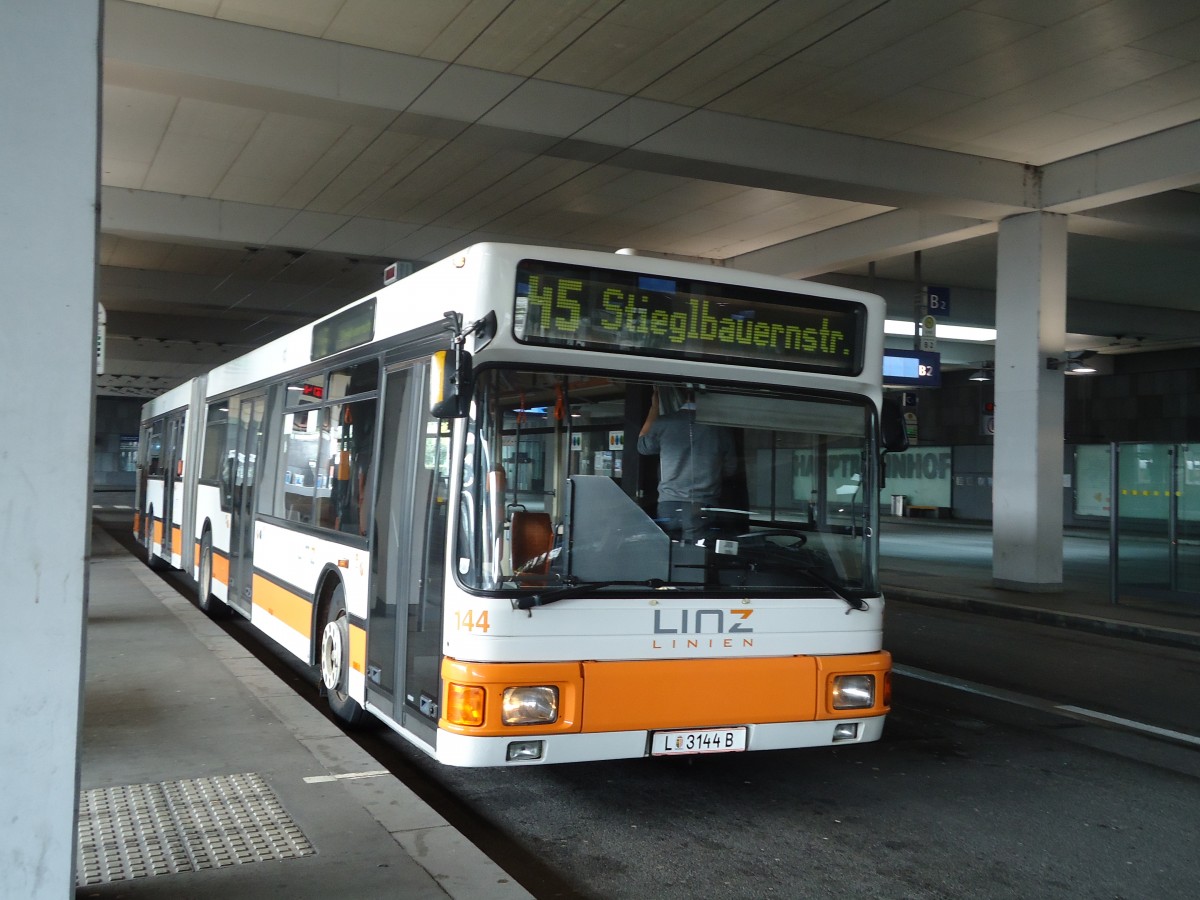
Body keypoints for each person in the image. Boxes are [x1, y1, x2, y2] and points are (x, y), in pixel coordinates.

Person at [637, 386, 737, 541]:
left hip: (669, 502)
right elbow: (730, 468)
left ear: (680, 396)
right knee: (699, 556)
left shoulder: (664, 423)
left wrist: (654, 408)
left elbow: (642, 447)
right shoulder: (720, 428)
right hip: (704, 503)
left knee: (668, 552)